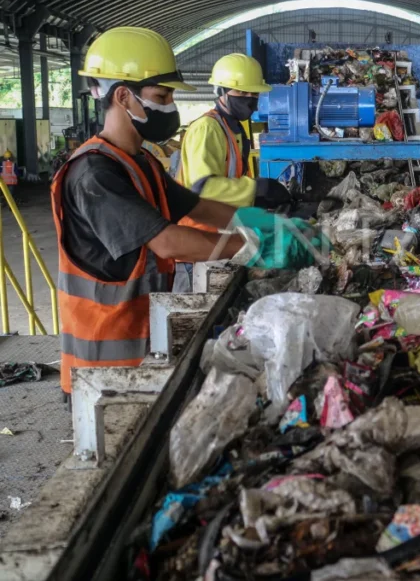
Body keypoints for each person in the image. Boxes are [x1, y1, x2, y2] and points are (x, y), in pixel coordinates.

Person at [56, 27, 320, 397]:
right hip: (103, 364)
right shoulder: (94, 173)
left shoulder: (141, 161)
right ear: (122, 95)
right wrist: (250, 244)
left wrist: (263, 221)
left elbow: (196, 205)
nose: (170, 107)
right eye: (161, 96)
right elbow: (165, 241)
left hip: (144, 342)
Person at [173, 53, 291, 290]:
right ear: (221, 92)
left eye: (253, 93)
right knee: (195, 313)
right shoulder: (207, 129)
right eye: (242, 93)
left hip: (219, 235)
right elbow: (202, 187)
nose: (249, 99)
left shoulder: (234, 129)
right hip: (196, 243)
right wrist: (257, 189)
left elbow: (231, 178)